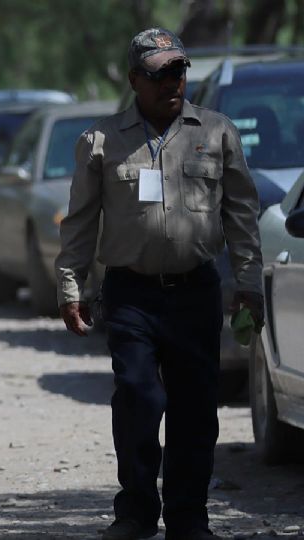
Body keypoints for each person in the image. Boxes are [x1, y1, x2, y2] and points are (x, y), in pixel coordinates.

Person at [55, 28, 263, 540]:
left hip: (195, 291)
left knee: (196, 410)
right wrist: (70, 284)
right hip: (131, 294)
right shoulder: (101, 140)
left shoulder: (216, 131)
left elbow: (241, 213)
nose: (173, 81)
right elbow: (80, 218)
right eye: (159, 73)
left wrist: (248, 281)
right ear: (134, 80)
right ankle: (136, 513)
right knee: (139, 399)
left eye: (179, 71)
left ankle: (190, 518)